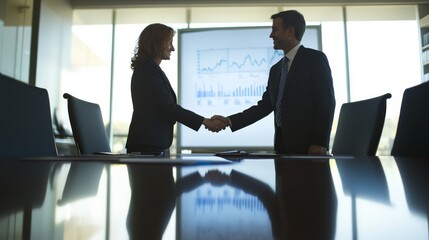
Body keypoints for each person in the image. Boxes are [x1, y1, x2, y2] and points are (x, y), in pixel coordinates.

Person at [213, 10, 335, 155]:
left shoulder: (314, 59)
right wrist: (229, 121)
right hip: (282, 146)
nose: (271, 35)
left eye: (275, 30)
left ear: (290, 31)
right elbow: (265, 106)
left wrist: (319, 142)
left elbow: (325, 103)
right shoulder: (276, 70)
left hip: (309, 148)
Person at [126, 23, 226, 155]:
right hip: (148, 146)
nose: (172, 48)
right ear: (156, 43)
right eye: (169, 43)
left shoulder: (151, 69)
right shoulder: (147, 70)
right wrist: (205, 121)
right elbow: (167, 107)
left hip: (153, 144)